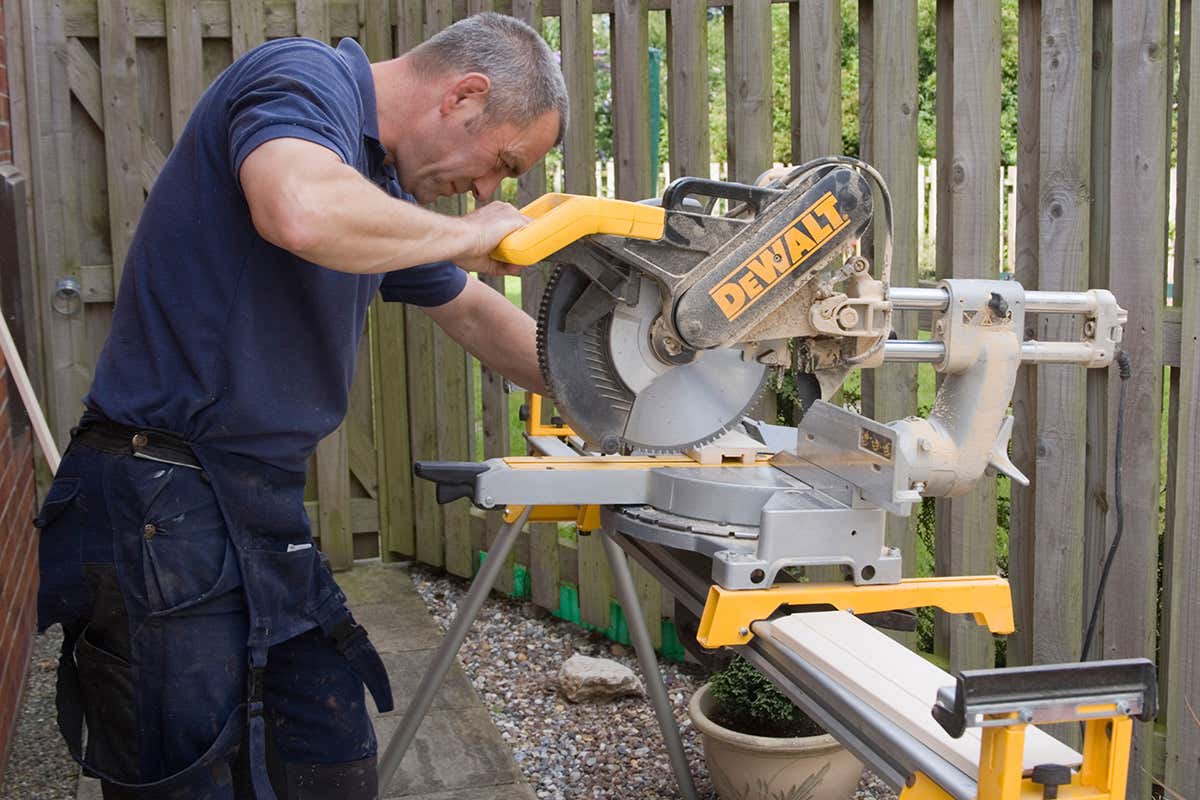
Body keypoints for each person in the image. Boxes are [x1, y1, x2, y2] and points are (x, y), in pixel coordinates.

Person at [34, 12, 567, 800]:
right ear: (464, 96)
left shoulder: (382, 192)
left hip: (253, 503)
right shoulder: (299, 78)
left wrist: (611, 383)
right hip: (157, 494)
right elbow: (299, 211)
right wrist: (464, 235)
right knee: (187, 778)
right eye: (502, 163)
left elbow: (477, 316)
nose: (488, 192)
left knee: (326, 752)